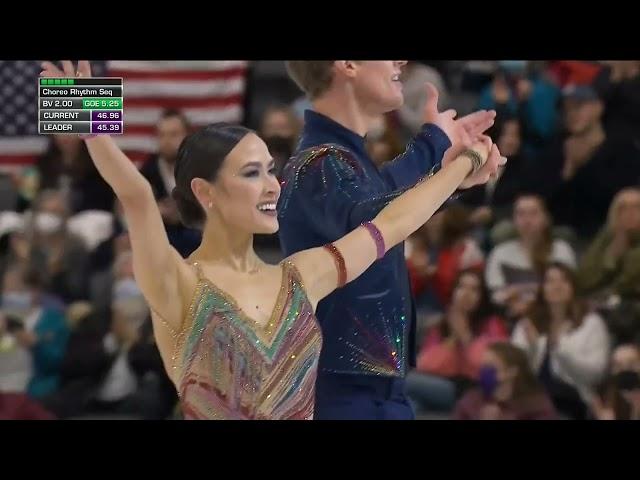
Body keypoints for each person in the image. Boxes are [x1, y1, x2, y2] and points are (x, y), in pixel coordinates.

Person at [40, 60, 501, 420]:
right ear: (206, 192)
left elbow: (393, 224)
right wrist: (87, 122)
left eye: (269, 170)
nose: (272, 185)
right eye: (250, 173)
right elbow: (137, 197)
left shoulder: (301, 277)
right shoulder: (178, 283)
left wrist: (461, 161)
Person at [278, 60, 501, 420]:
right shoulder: (317, 163)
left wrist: (445, 169)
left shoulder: (340, 159)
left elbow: (378, 198)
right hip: (344, 390)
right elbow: (379, 225)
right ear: (348, 65)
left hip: (371, 387)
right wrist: (440, 151)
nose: (400, 61)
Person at [512, 263, 610, 419]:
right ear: (542, 289)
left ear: (573, 287)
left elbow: (595, 374)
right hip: (530, 400)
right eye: (550, 281)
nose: (557, 286)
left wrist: (561, 350)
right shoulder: (528, 323)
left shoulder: (591, 323)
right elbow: (515, 373)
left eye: (564, 280)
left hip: (572, 401)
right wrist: (533, 348)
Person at [453, 342, 557, 420]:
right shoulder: (471, 400)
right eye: (483, 366)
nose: (484, 371)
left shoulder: (536, 405)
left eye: (490, 366)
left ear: (512, 371)